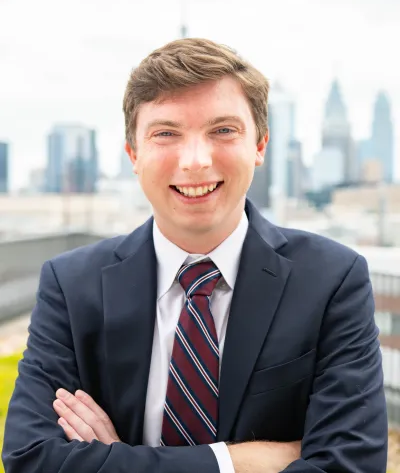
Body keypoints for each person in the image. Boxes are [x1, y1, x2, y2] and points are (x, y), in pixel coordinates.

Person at [2, 38, 387, 473]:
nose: (196, 160)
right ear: (134, 153)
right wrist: (232, 462)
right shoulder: (72, 286)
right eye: (166, 133)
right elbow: (31, 460)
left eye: (223, 130)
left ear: (260, 145)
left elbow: (350, 464)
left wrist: (115, 461)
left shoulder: (332, 280)